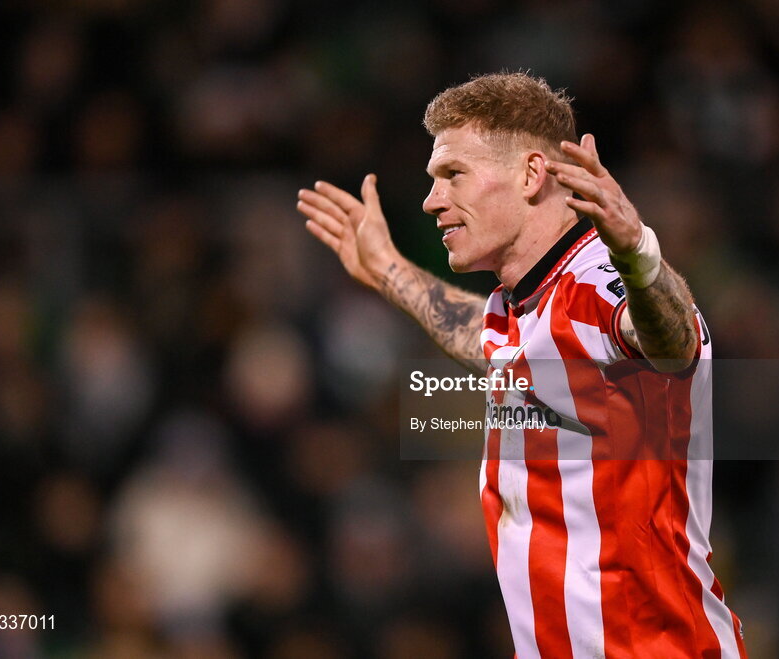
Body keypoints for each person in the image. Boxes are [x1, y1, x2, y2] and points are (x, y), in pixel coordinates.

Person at [296, 72, 746, 659]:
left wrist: (638, 254)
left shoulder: (602, 282)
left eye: (452, 174)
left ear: (532, 175)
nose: (431, 200)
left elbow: (672, 340)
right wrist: (388, 269)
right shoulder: (518, 305)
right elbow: (474, 336)